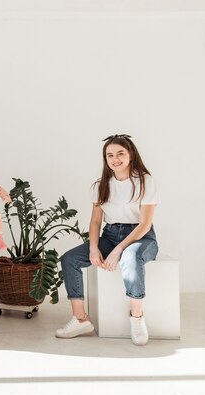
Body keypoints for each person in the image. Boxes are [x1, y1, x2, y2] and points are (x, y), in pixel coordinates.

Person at [56, 134, 159, 346]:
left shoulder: (146, 182)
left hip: (141, 236)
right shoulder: (101, 185)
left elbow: (144, 224)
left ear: (131, 155)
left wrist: (119, 250)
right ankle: (80, 319)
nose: (115, 159)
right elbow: (95, 222)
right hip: (110, 235)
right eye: (110, 155)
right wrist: (94, 248)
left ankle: (137, 318)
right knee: (69, 259)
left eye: (120, 153)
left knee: (130, 258)